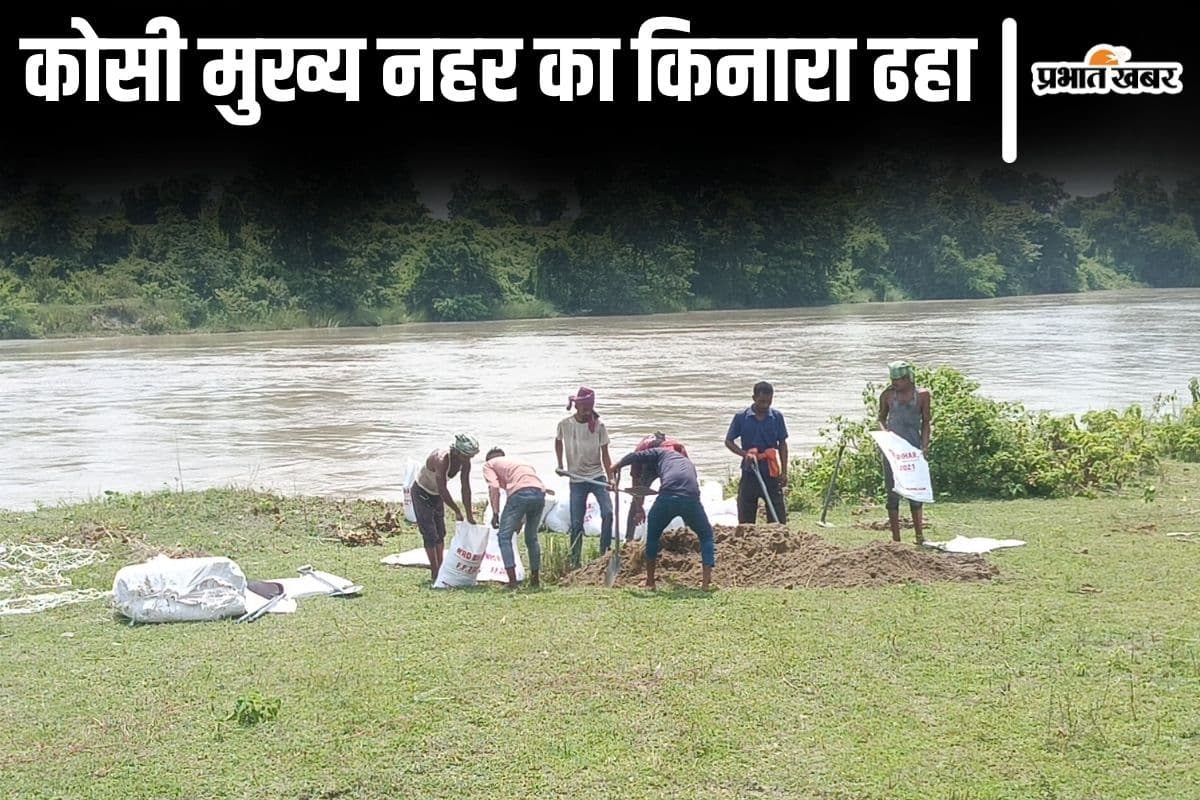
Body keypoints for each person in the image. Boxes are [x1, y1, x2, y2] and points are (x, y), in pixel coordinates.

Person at [610, 445, 715, 590]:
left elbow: (636, 456)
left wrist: (617, 465)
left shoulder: (660, 452)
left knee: (653, 536)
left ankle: (650, 582)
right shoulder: (688, 462)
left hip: (667, 497)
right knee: (706, 536)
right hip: (691, 499)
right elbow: (692, 484)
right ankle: (706, 583)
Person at [555, 386, 614, 568]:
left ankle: (604, 553)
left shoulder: (598, 426)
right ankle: (575, 561)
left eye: (590, 407)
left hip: (597, 476)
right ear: (577, 406)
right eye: (584, 408)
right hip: (576, 479)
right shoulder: (565, 425)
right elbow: (558, 442)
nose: (587, 411)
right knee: (576, 522)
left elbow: (605, 454)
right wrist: (560, 465)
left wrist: (611, 478)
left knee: (608, 513)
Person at [410, 433, 479, 583]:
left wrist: (469, 515)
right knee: (429, 533)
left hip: (436, 495)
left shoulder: (464, 463)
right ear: (456, 452)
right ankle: (435, 571)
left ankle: (441, 567)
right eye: (465, 456)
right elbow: (442, 489)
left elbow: (465, 488)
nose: (468, 460)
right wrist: (457, 510)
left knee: (441, 532)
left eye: (470, 457)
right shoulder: (441, 460)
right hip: (421, 492)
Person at [877, 361, 932, 544]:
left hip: (913, 448)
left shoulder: (922, 395)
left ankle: (919, 535)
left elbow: (926, 422)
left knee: (915, 493)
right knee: (892, 493)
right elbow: (881, 418)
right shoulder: (887, 395)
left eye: (898, 380)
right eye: (892, 379)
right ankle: (896, 539)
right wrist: (885, 435)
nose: (894, 383)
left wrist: (924, 446)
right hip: (892, 452)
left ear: (908, 379)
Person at [724, 381, 789, 525]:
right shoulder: (741, 417)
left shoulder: (777, 417)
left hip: (771, 471)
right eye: (761, 401)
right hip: (750, 470)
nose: (765, 405)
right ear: (754, 398)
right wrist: (744, 454)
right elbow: (728, 441)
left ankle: (778, 542)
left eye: (768, 401)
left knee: (778, 515)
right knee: (746, 515)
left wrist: (784, 471)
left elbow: (782, 444)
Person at [483, 447, 547, 589]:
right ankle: (535, 579)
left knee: (504, 537)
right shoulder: (518, 463)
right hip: (539, 494)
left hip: (519, 495)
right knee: (531, 538)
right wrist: (520, 520)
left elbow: (494, 487)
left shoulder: (489, 465)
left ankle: (512, 582)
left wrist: (495, 513)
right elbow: (530, 485)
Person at [626, 431, 688, 539]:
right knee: (635, 502)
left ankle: (690, 533)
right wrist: (639, 508)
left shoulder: (678, 451)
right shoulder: (639, 454)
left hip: (670, 466)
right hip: (647, 466)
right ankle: (629, 538)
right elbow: (635, 485)